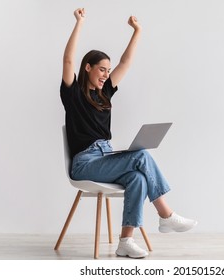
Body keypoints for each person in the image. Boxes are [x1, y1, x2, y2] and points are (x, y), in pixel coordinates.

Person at [60, 8, 197, 258]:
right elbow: (68, 61)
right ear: (88, 68)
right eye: (101, 69)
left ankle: (125, 240)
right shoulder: (73, 95)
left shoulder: (105, 94)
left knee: (138, 178)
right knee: (141, 156)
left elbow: (126, 62)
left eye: (108, 71)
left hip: (105, 156)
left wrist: (138, 31)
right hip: (84, 164)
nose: (106, 75)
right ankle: (166, 214)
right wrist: (79, 23)